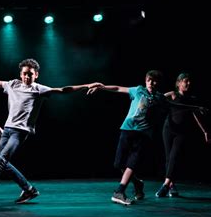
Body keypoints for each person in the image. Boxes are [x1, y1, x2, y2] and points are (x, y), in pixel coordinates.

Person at [0, 58, 103, 207]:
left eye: (30, 74)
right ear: (20, 74)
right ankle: (28, 189)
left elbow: (62, 90)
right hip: (7, 130)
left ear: (36, 75)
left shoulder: (39, 89)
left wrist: (86, 85)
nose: (27, 77)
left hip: (20, 132)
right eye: (24, 74)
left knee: (0, 161)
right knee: (3, 162)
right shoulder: (13, 84)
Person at [87, 70, 207, 206]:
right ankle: (137, 183)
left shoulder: (159, 98)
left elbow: (176, 105)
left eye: (154, 81)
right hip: (127, 129)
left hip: (143, 133)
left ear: (158, 83)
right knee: (119, 164)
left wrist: (195, 107)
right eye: (149, 80)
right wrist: (101, 87)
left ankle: (119, 191)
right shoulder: (137, 90)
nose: (151, 83)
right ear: (145, 81)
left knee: (132, 163)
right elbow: (118, 88)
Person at [155, 73, 209, 197]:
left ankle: (165, 185)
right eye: (186, 81)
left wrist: (205, 131)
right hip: (168, 129)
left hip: (181, 132)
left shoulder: (192, 99)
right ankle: (171, 186)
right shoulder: (173, 94)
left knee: (174, 157)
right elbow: (160, 98)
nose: (188, 83)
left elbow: (196, 116)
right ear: (179, 83)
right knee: (168, 158)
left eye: (189, 81)